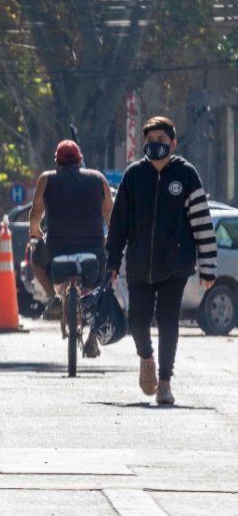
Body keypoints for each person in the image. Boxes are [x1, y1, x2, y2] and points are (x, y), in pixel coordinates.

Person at [105, 116, 217, 405]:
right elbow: (119, 224)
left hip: (176, 265)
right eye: (151, 141)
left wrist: (208, 267)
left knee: (169, 322)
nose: (156, 146)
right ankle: (146, 358)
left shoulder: (186, 175)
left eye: (162, 141)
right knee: (137, 320)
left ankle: (165, 382)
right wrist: (113, 263)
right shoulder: (134, 176)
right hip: (140, 264)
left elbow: (202, 223)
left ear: (173, 143)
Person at [27, 140, 113, 356]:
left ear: (57, 161)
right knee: (107, 279)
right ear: (80, 159)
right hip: (93, 249)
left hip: (57, 248)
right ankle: (94, 332)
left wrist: (35, 231)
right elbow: (110, 215)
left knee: (35, 258)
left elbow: (36, 213)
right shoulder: (98, 178)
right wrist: (112, 238)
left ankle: (53, 297)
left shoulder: (47, 179)